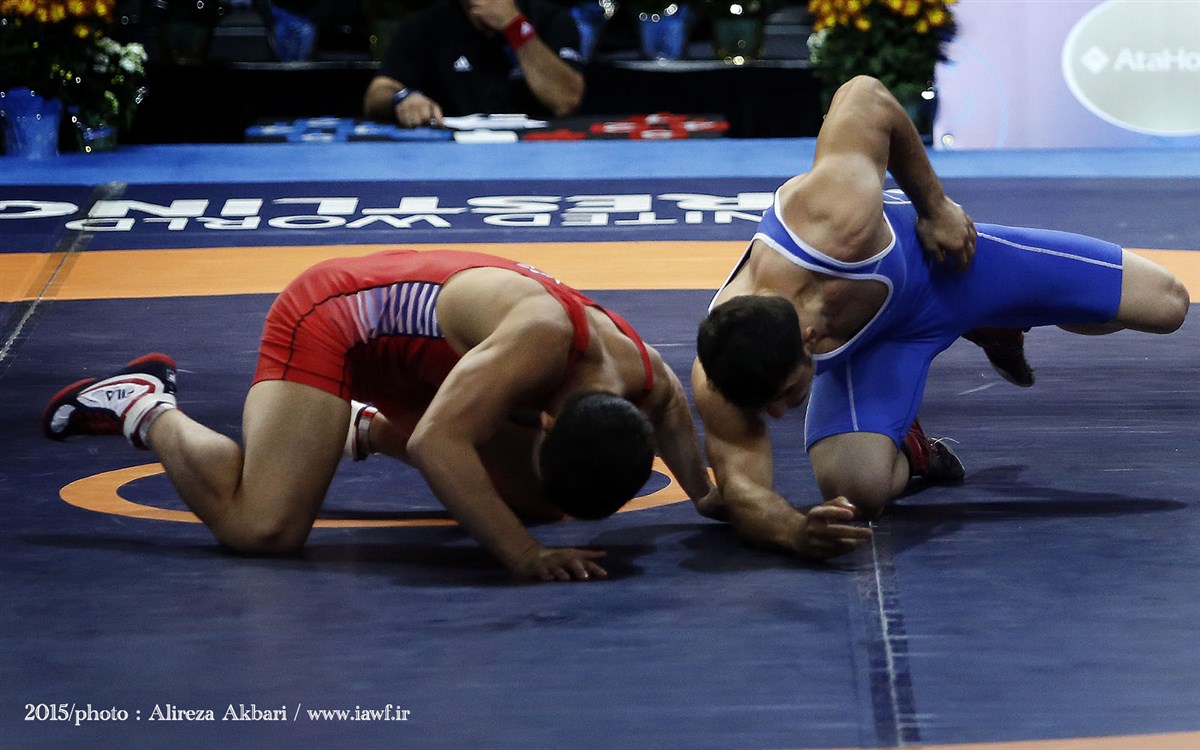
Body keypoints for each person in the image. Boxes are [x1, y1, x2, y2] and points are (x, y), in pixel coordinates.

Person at [691, 75, 1190, 560]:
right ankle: (915, 450)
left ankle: (1002, 313)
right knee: (857, 494)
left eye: (782, 395)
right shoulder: (723, 371)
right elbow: (742, 489)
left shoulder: (831, 219)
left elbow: (866, 96)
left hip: (947, 271)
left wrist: (934, 207)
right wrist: (793, 531)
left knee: (1167, 305)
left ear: (810, 337)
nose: (778, 414)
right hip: (880, 347)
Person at [43, 249, 718, 582]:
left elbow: (670, 410)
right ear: (546, 421)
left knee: (540, 501)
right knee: (264, 530)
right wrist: (523, 556)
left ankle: (356, 426)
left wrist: (711, 497)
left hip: (429, 364)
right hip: (334, 323)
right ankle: (144, 404)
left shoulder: (641, 372)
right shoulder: (539, 340)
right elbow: (437, 445)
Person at [362, 0, 585, 128]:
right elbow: (378, 92)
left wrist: (515, 26)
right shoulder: (426, 26)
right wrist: (402, 98)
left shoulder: (551, 19)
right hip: (451, 156)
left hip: (539, 152)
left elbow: (565, 100)